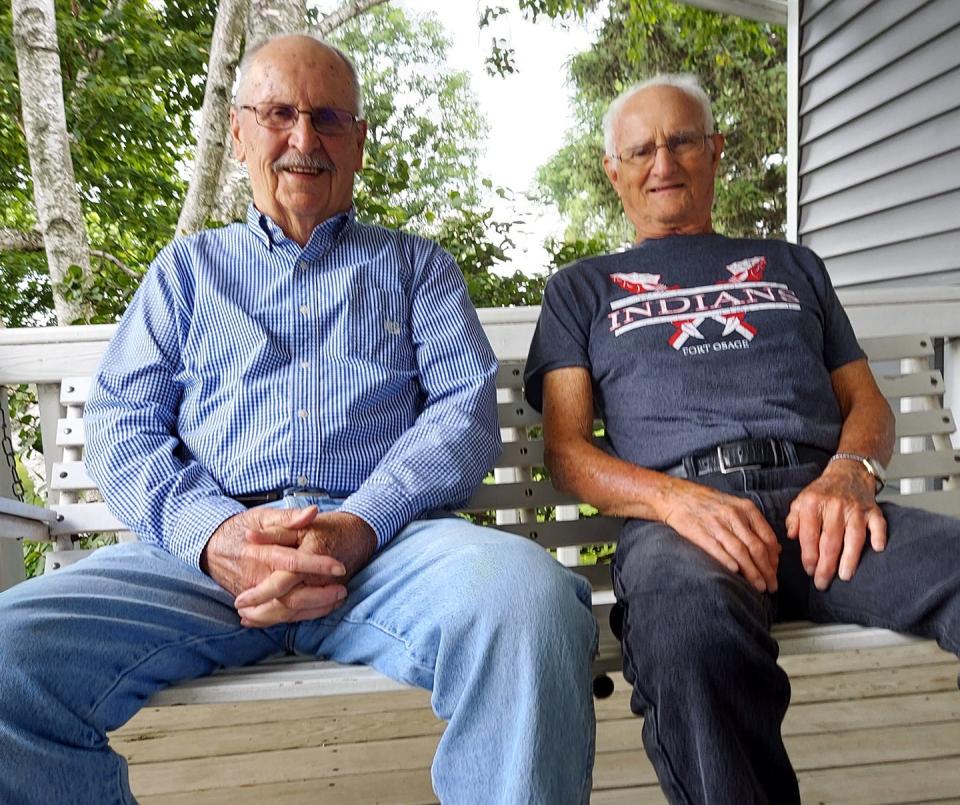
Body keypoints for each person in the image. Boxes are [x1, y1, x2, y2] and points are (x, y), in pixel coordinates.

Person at [0, 35, 597, 805]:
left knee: (534, 608)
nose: (303, 139)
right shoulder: (185, 273)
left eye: (327, 118)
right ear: (241, 131)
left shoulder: (418, 268)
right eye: (279, 114)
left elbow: (464, 413)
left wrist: (358, 524)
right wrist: (217, 536)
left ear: (358, 142)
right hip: (201, 566)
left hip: (389, 556)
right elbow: (121, 425)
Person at [524, 73, 960, 804]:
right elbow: (567, 450)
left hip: (824, 507)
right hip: (684, 517)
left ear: (715, 151)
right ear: (614, 171)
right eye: (640, 150)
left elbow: (867, 404)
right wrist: (675, 502)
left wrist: (850, 471)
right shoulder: (582, 289)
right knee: (689, 631)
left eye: (682, 141)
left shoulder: (794, 265)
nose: (662, 163)